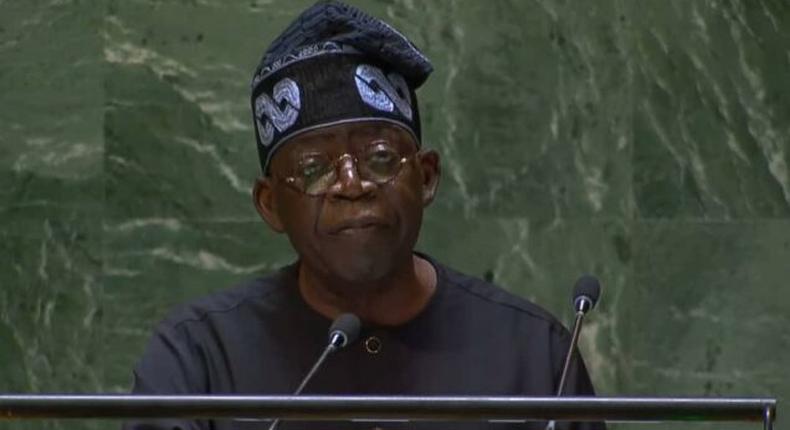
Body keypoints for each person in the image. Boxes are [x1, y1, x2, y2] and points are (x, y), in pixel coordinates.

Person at [124, 2, 603, 429]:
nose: (351, 186)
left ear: (427, 176)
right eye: (313, 169)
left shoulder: (534, 355)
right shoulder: (201, 357)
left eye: (379, 157)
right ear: (270, 204)